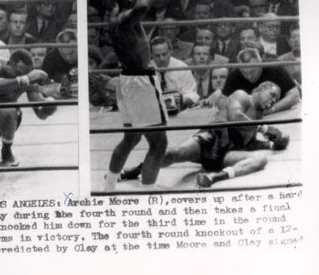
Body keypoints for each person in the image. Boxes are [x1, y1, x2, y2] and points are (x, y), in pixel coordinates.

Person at [120, 81, 289, 186]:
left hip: (225, 155)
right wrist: (265, 129)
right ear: (259, 89)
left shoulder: (258, 117)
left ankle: (215, 177)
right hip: (211, 140)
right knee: (174, 154)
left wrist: (274, 142)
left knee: (260, 159)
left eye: (276, 99)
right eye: (272, 94)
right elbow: (234, 117)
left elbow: (247, 142)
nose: (273, 101)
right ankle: (136, 170)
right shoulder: (243, 96)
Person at [103, 0, 171, 192]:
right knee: (159, 143)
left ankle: (109, 186)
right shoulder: (125, 18)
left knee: (131, 138)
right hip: (142, 82)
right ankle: (149, 191)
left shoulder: (115, 12)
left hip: (127, 80)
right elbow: (142, 6)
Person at [221, 45, 300, 114]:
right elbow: (222, 100)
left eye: (252, 72)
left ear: (260, 63)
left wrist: (272, 110)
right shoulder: (234, 74)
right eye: (244, 73)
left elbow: (295, 96)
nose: (249, 76)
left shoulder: (275, 67)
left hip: (280, 113)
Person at [150, 36, 199, 108]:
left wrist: (180, 100)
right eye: (157, 55)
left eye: (164, 54)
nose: (162, 59)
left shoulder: (182, 68)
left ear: (170, 51)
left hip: (179, 110)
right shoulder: (147, 70)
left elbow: (192, 94)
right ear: (151, 55)